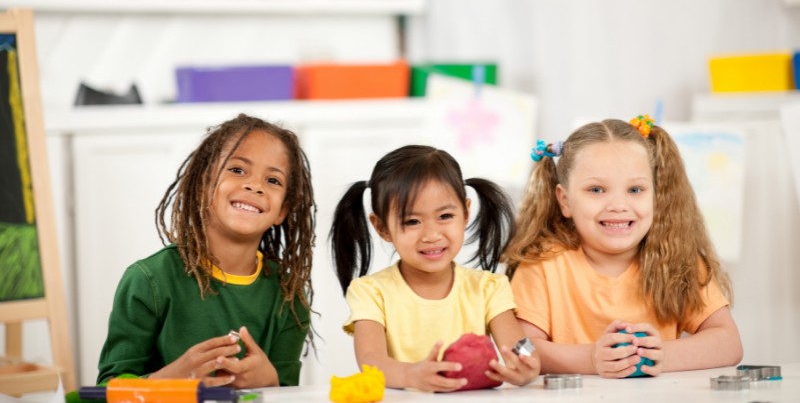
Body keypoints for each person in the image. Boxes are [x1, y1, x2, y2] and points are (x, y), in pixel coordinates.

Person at [504, 116, 743, 378]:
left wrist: (663, 354)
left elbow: (729, 343)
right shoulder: (541, 265)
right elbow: (522, 349)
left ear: (656, 195)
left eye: (635, 189)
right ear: (565, 201)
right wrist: (591, 359)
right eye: (596, 189)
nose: (618, 205)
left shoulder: (678, 260)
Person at [97, 114, 315, 387]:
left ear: (282, 209)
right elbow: (107, 391)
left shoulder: (288, 292)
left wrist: (269, 380)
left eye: (273, 180)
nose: (255, 185)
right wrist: (168, 381)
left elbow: (286, 392)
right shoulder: (148, 280)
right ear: (202, 185)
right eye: (237, 170)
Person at [330, 145, 541, 392]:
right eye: (412, 221)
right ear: (382, 227)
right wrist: (411, 375)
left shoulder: (488, 288)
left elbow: (521, 345)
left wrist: (530, 364)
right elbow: (371, 360)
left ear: (465, 213)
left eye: (444, 216)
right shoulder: (371, 291)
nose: (431, 235)